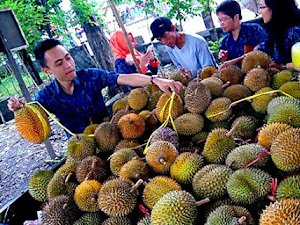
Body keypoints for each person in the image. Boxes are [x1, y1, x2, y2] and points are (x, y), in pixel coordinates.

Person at [7, 39, 182, 138]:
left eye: (68, 58)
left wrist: (154, 79)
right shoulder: (45, 97)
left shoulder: (90, 76)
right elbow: (36, 131)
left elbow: (122, 78)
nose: (68, 65)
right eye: (59, 63)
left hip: (111, 132)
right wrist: (19, 110)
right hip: (81, 145)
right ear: (47, 71)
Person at [150, 17, 217, 78]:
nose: (164, 42)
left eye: (164, 36)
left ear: (173, 28)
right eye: (159, 40)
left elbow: (209, 70)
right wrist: (182, 71)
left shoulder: (197, 42)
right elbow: (178, 65)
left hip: (209, 80)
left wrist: (192, 73)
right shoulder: (169, 47)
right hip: (192, 84)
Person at [217, 0, 268, 68]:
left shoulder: (253, 30)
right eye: (219, 20)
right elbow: (227, 67)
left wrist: (236, 60)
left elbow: (261, 51)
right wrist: (224, 59)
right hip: (237, 77)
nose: (221, 23)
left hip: (259, 73)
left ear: (236, 17)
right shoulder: (225, 42)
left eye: (224, 19)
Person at [109, 30, 160, 97]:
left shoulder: (136, 54)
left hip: (150, 89)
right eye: (128, 41)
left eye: (132, 40)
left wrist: (151, 61)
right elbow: (131, 84)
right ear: (120, 44)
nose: (132, 43)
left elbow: (153, 73)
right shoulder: (120, 63)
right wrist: (142, 65)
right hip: (138, 95)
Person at [258, 0, 300, 68]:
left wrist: (283, 66)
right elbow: (264, 48)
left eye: (261, 7)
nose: (260, 11)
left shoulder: (295, 32)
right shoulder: (274, 28)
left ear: (274, 8)